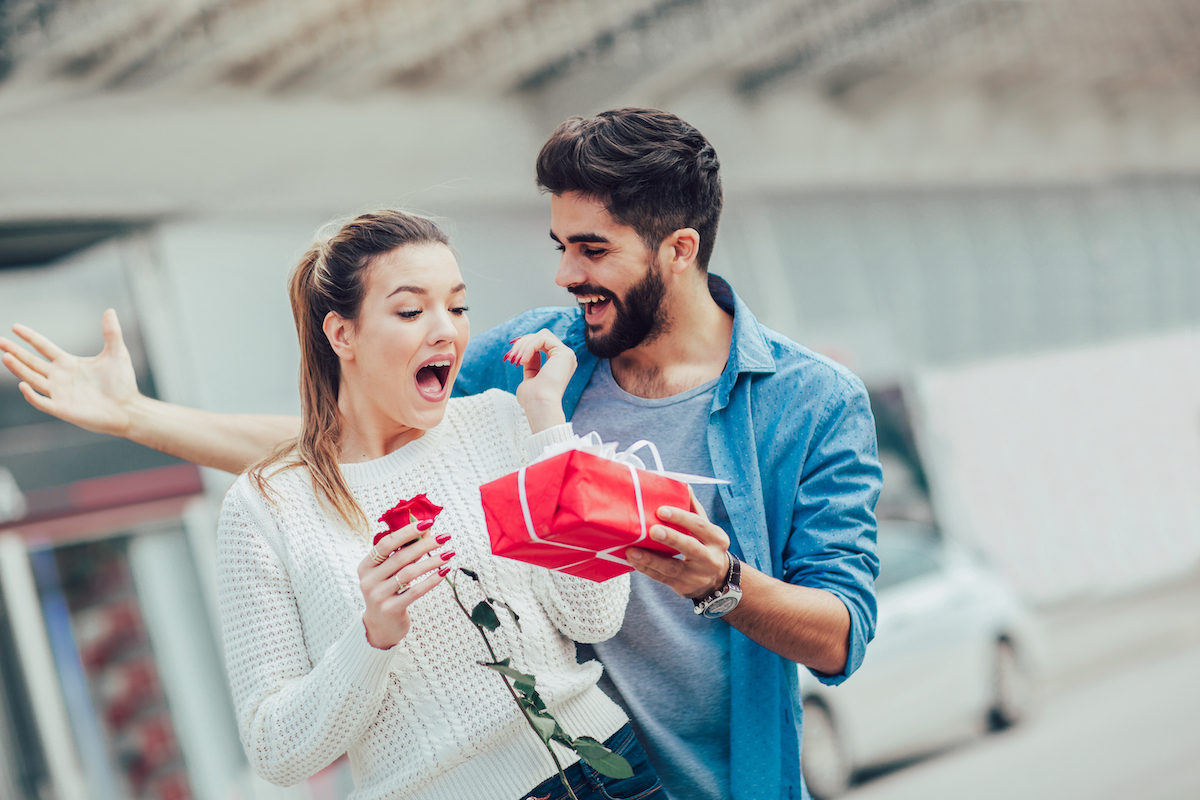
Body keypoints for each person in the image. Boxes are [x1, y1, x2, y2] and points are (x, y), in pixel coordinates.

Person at [1, 108, 881, 800]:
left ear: (678, 250)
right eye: (560, 246)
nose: (566, 277)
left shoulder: (808, 403)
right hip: (563, 757)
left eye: (593, 250)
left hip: (715, 780)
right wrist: (138, 417)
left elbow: (842, 634)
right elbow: (359, 455)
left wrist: (719, 582)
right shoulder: (539, 359)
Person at [192, 209, 661, 799]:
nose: (446, 331)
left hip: (607, 775)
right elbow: (276, 750)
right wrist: (373, 636)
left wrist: (549, 428)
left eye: (457, 307)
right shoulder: (266, 504)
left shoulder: (501, 420)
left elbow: (594, 616)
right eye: (411, 311)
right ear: (342, 335)